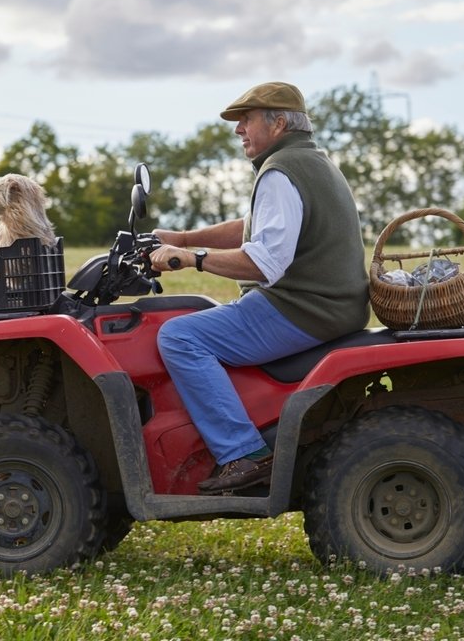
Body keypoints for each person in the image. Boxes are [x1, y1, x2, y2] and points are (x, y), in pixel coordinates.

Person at [149, 81, 370, 495]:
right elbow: (252, 229)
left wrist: (190, 258)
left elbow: (263, 262)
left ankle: (243, 455)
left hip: (303, 308)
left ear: (280, 122)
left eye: (246, 120)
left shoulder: (280, 172)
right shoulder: (308, 162)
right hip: (332, 305)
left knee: (179, 336)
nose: (238, 130)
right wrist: (179, 236)